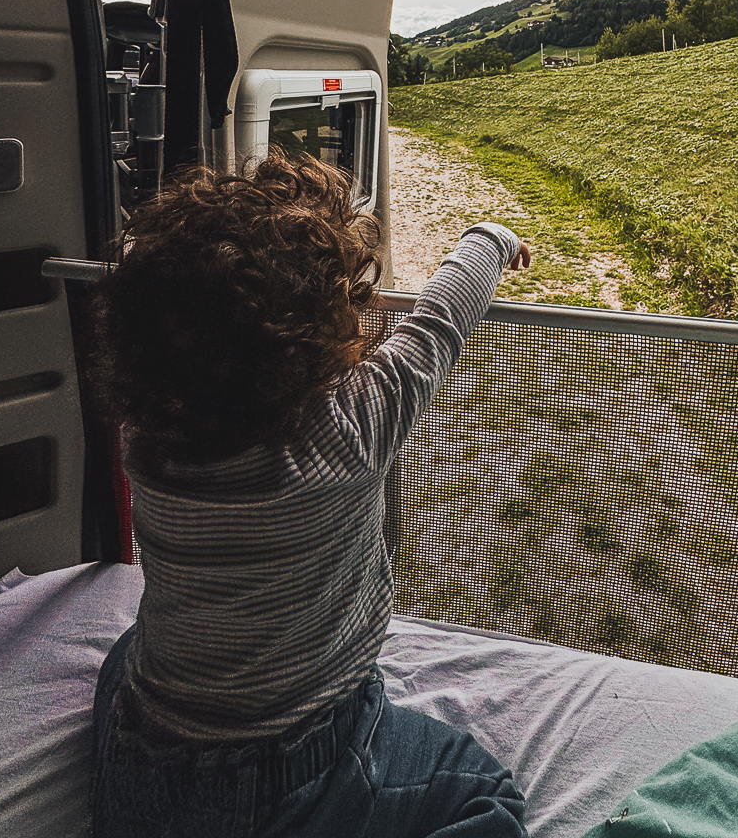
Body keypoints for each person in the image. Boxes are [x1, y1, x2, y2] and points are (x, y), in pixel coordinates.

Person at [87, 148, 531, 837]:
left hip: (141, 763)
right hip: (297, 770)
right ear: (311, 335)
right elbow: (442, 318)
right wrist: (491, 237)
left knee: (127, 654)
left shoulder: (146, 438)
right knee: (487, 797)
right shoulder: (351, 429)